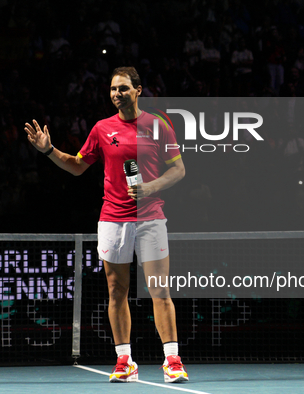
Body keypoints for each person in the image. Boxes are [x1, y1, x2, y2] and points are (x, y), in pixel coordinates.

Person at [24, 67, 188, 383]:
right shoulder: (102, 129)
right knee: (116, 290)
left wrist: (151, 188)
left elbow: (178, 170)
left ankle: (172, 360)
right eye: (113, 89)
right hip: (113, 219)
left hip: (150, 218)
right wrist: (48, 150)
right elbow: (76, 166)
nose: (116, 94)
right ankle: (124, 360)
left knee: (160, 289)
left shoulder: (158, 126)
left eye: (123, 88)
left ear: (139, 90)